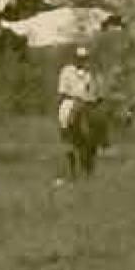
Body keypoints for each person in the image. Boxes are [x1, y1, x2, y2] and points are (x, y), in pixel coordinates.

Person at [56, 46, 100, 184]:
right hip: (70, 100)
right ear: (75, 58)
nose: (83, 61)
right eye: (80, 58)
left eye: (85, 58)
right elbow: (63, 91)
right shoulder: (67, 71)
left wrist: (92, 98)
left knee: (98, 116)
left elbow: (91, 91)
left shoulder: (88, 74)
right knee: (67, 115)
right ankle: (68, 133)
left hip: (86, 102)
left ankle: (100, 138)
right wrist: (77, 99)